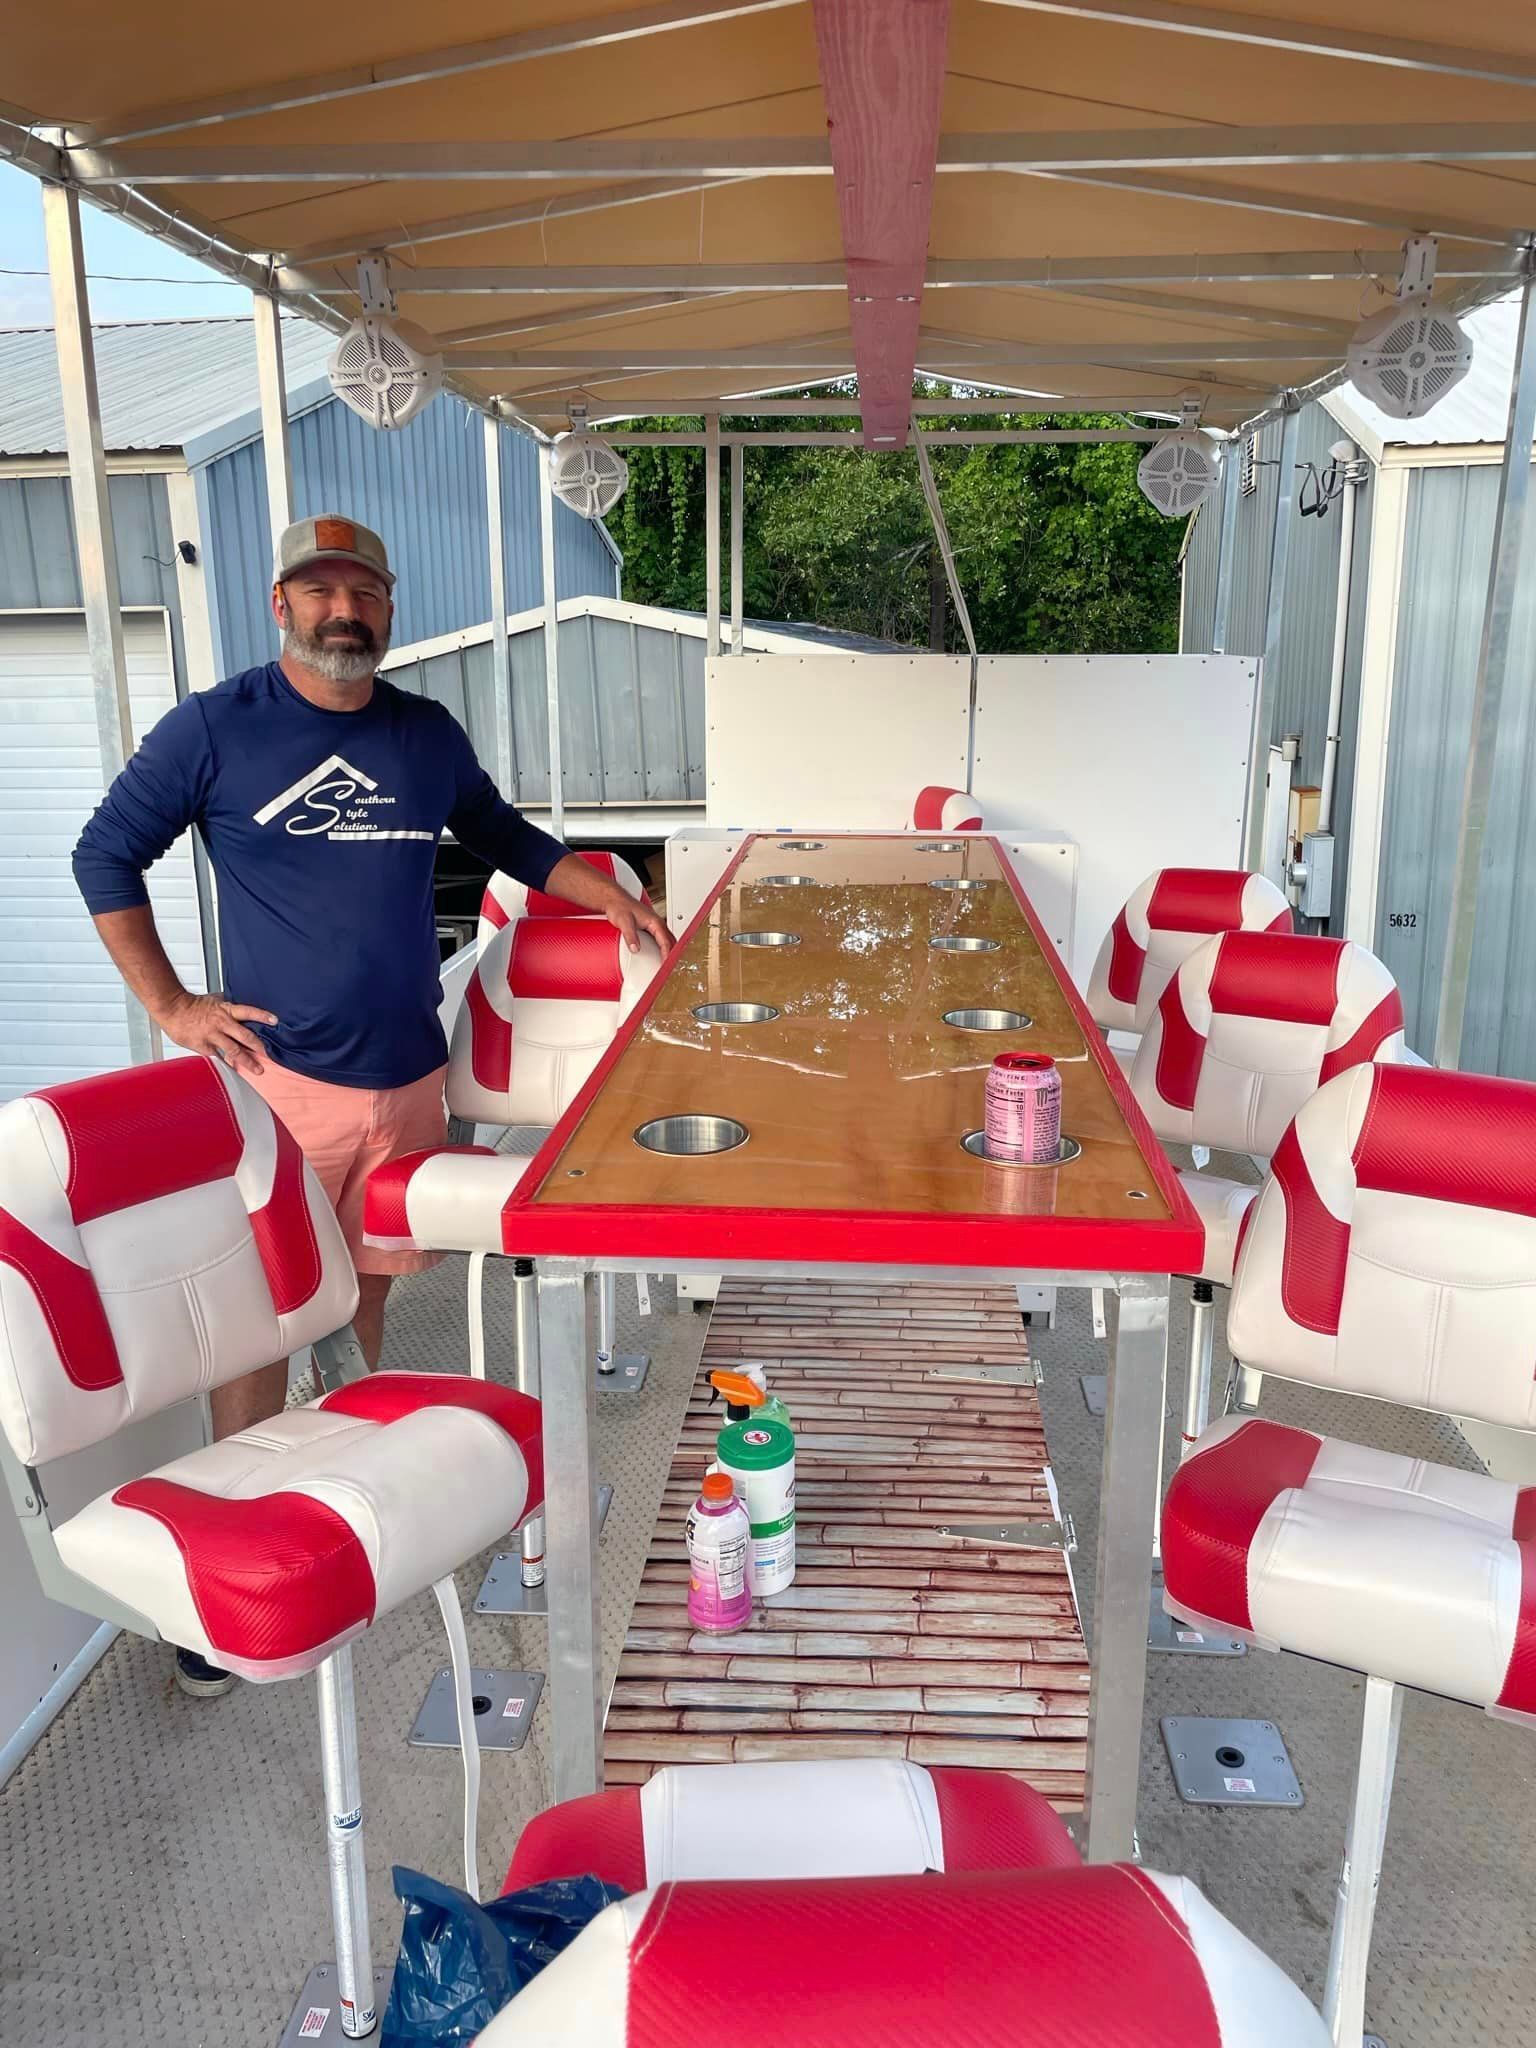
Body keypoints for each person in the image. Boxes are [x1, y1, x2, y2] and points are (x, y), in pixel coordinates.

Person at [73, 512, 671, 1695]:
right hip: (282, 1087)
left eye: (365, 590)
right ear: (282, 605)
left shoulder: (424, 732)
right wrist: (176, 1005)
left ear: (388, 607)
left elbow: (503, 835)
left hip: (409, 1075)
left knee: (364, 1289)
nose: (345, 609)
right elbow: (105, 855)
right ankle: (223, 1590)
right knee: (260, 1315)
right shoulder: (218, 726)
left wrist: (604, 895)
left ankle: (346, 1508)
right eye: (321, 589)